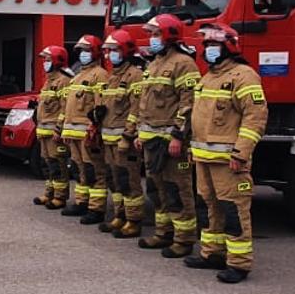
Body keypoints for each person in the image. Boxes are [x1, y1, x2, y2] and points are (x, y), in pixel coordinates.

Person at [179, 22, 268, 284]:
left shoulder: (244, 76)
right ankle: (212, 254)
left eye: (213, 45)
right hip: (204, 157)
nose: (208, 50)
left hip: (229, 160)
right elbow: (196, 118)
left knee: (233, 210)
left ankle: (239, 264)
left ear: (228, 46)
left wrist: (241, 152)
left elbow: (255, 118)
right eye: (206, 45)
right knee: (209, 208)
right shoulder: (207, 78)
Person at [130, 15, 203, 255]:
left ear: (169, 35)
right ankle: (164, 233)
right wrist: (140, 133)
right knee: (156, 188)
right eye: (151, 34)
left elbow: (188, 103)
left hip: (171, 141)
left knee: (177, 189)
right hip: (151, 139)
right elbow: (144, 103)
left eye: (155, 34)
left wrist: (178, 136)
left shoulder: (184, 63)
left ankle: (183, 240)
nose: (152, 39)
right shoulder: (153, 64)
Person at [97, 30, 146, 239]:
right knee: (114, 179)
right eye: (108, 51)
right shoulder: (111, 76)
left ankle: (133, 221)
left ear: (125, 51)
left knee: (129, 180)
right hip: (108, 139)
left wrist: (128, 136)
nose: (110, 54)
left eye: (114, 50)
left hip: (123, 141)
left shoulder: (134, 75)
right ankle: (120, 215)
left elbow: (136, 109)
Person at [58, 35, 106, 217]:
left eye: (86, 50)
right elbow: (69, 107)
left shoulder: (99, 74)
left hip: (87, 133)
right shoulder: (77, 76)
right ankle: (81, 202)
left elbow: (100, 105)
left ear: (94, 52)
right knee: (79, 170)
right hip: (73, 132)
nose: (83, 54)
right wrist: (64, 129)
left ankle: (96, 208)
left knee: (94, 170)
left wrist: (94, 128)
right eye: (81, 51)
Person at [33, 45, 74, 209]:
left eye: (48, 60)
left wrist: (59, 129)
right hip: (44, 131)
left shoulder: (63, 81)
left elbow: (65, 108)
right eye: (44, 60)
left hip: (54, 133)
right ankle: (49, 192)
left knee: (58, 164)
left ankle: (60, 196)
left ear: (57, 61)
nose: (45, 63)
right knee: (48, 163)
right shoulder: (48, 81)